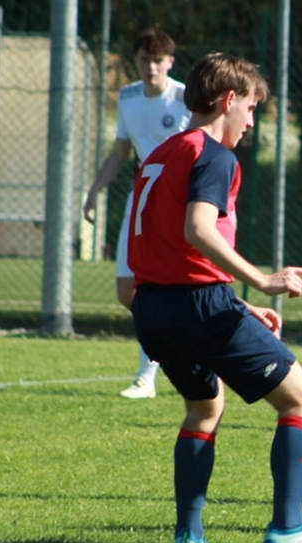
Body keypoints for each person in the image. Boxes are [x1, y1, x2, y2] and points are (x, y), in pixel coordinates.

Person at [127, 53, 302, 543]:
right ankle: (288, 530)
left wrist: (236, 306)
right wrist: (261, 281)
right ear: (228, 100)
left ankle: (188, 537)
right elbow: (197, 230)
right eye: (252, 110)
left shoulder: (161, 152)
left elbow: (172, 245)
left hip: (154, 307)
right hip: (199, 305)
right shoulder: (213, 154)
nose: (252, 123)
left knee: (205, 408)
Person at [82, 27, 192, 400]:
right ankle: (169, 353)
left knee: (163, 286)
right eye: (145, 60)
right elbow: (119, 152)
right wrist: (95, 190)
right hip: (142, 196)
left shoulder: (184, 98)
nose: (151, 67)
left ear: (170, 62)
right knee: (127, 289)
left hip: (178, 199)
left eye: (158, 60)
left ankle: (146, 375)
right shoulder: (128, 98)